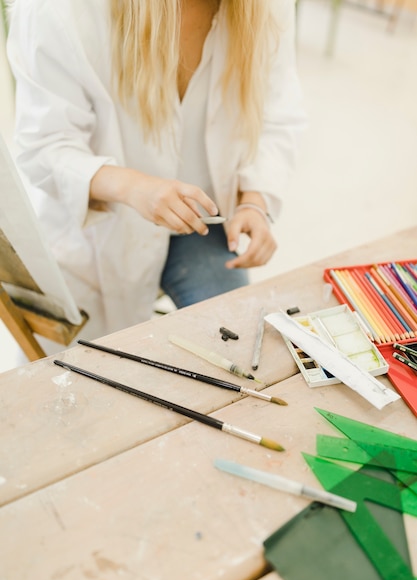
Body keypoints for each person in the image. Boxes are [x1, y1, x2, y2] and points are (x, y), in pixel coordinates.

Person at [6, 0, 306, 341]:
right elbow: (44, 146)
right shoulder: (58, 10)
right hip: (99, 232)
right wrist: (133, 187)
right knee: (80, 377)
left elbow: (279, 113)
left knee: (240, 339)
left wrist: (255, 200)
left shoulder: (266, 7)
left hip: (203, 223)